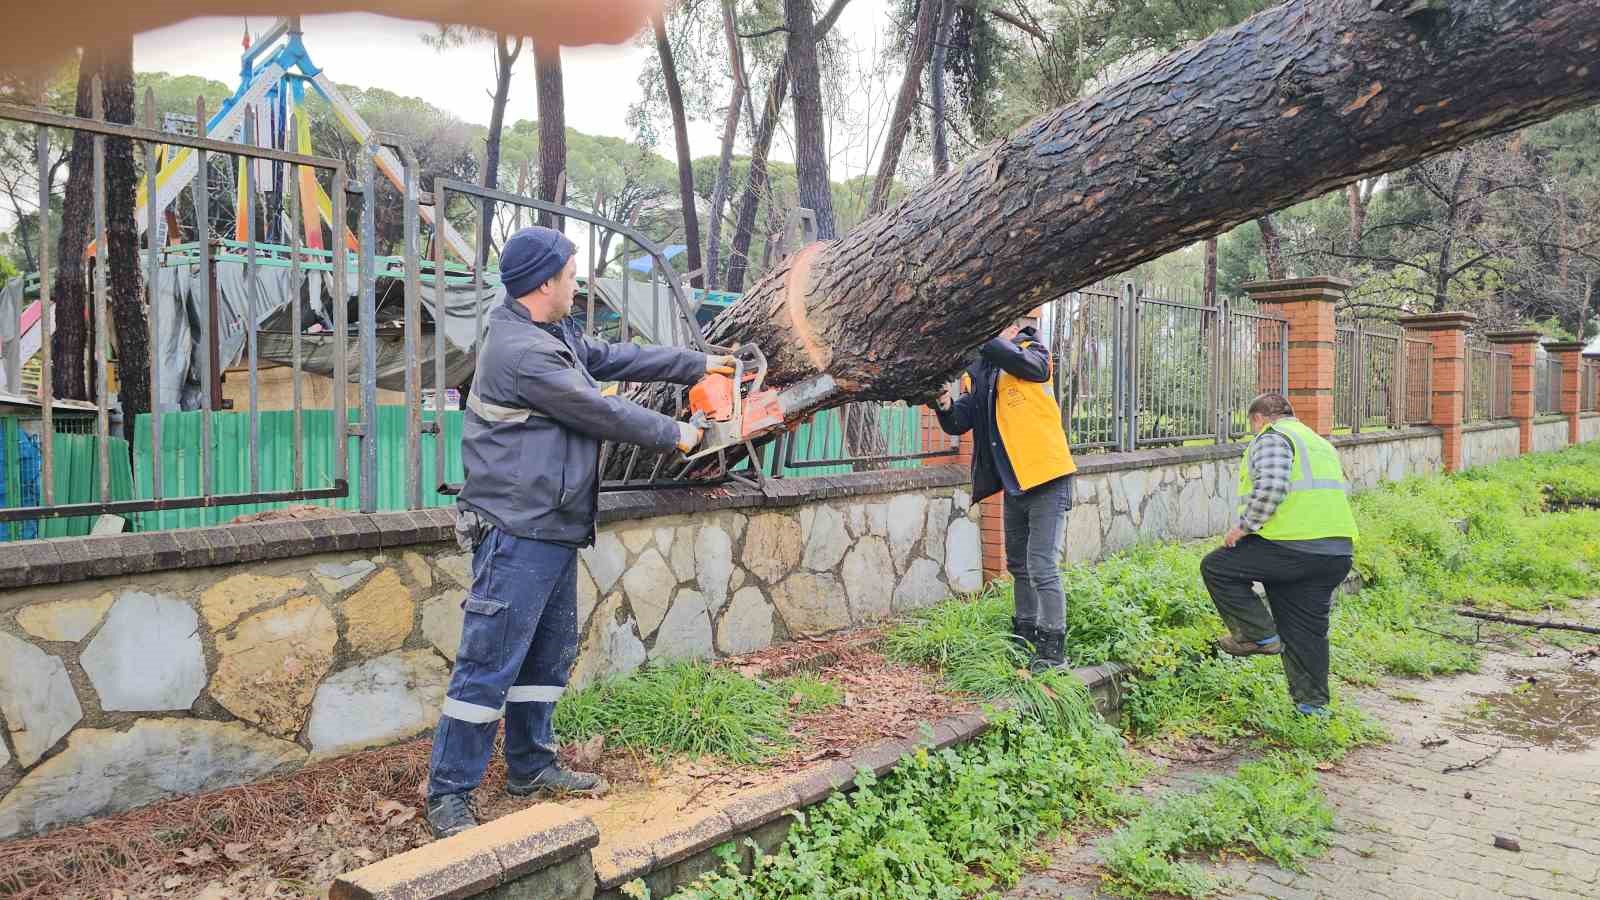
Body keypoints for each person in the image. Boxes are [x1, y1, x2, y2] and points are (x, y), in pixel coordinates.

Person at [425, 225, 735, 838]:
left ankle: (531, 767)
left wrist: (694, 363)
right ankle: (449, 793)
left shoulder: (550, 331)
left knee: (546, 660)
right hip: (517, 529)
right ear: (545, 282)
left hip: (552, 526)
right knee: (488, 666)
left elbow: (614, 358)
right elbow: (601, 409)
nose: (577, 283)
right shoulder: (522, 351)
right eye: (570, 274)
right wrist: (677, 433)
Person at [933, 310, 1078, 670]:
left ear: (1013, 327)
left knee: (1042, 564)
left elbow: (1031, 367)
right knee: (1018, 564)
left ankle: (1053, 650)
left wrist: (980, 335)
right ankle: (1024, 635)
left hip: (1047, 475)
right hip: (1015, 482)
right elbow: (959, 420)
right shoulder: (978, 372)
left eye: (1001, 325)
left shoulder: (1033, 351)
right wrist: (942, 400)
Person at [1201, 392, 1359, 717]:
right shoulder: (1318, 443)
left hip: (1292, 546)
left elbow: (1272, 486)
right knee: (1306, 631)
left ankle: (1258, 636)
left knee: (1218, 566)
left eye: (1251, 425)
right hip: (1335, 553)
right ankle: (1312, 709)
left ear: (1258, 419)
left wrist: (1243, 527)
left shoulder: (1273, 437)